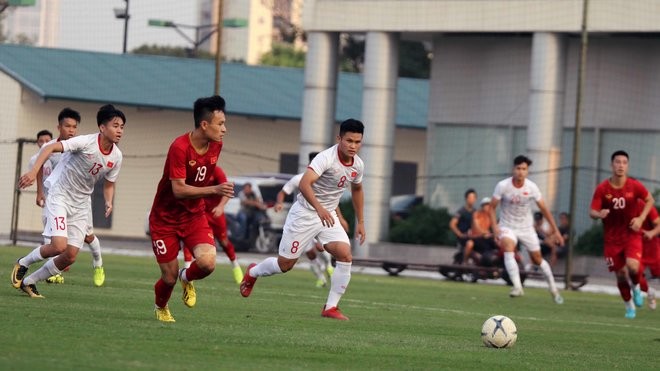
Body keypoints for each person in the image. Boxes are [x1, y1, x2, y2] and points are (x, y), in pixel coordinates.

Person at [240, 118, 366, 321]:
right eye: (349, 140)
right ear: (339, 138)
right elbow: (305, 184)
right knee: (285, 265)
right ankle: (253, 272)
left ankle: (331, 307)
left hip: (328, 215)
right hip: (305, 214)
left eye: (357, 142)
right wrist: (319, 209)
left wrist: (360, 221)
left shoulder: (358, 165)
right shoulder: (325, 158)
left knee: (345, 255)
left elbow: (358, 189)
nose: (353, 146)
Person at [12, 104, 125, 298]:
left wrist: (109, 201)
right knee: (58, 246)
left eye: (122, 127)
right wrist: (32, 172)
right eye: (115, 125)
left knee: (70, 255)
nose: (120, 130)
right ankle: (23, 262)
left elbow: (109, 183)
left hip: (81, 203)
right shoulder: (85, 142)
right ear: (102, 127)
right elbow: (50, 146)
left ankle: (30, 282)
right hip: (60, 195)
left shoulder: (117, 156)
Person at [148, 95, 234, 323]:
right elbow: (178, 190)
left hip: (194, 215)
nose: (224, 129)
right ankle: (161, 307)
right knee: (168, 278)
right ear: (204, 125)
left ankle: (187, 277)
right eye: (220, 124)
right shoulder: (179, 147)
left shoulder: (217, 144)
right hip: (164, 218)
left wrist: (215, 190)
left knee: (207, 264)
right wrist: (215, 190)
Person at [29, 109, 107, 286]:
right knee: (54, 236)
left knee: (88, 237)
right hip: (57, 198)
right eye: (67, 126)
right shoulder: (52, 147)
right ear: (59, 127)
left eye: (74, 127)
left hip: (80, 200)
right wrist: (40, 191)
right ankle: (52, 271)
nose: (71, 130)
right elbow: (40, 166)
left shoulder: (80, 145)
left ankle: (98, 264)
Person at [489, 155, 564, 304]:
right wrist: (495, 228)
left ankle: (553, 289)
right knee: (508, 247)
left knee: (537, 259)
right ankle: (517, 286)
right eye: (518, 168)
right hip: (507, 226)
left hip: (526, 228)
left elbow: (544, 210)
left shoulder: (531, 187)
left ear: (527, 171)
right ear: (513, 169)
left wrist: (556, 231)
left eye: (524, 169)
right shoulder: (502, 185)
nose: (521, 172)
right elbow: (491, 208)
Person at [589, 150, 655, 319]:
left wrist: (640, 218)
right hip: (611, 239)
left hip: (631, 235)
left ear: (628, 165)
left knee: (633, 266)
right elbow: (592, 211)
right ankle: (629, 305)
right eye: (617, 162)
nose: (621, 165)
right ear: (612, 165)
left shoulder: (634, 185)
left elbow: (650, 200)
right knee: (620, 274)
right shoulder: (603, 189)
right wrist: (599, 214)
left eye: (624, 162)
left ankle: (637, 288)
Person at [274, 152, 348, 288]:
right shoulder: (299, 179)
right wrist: (279, 203)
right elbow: (283, 192)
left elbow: (332, 202)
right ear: (311, 164)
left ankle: (328, 267)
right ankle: (321, 278)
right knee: (309, 255)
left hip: (321, 220)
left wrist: (341, 218)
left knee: (322, 249)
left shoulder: (327, 180)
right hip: (302, 220)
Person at [182, 165, 244, 285]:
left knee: (224, 241)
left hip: (216, 213)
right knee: (190, 240)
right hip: (199, 213)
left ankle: (235, 266)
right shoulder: (194, 170)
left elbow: (228, 191)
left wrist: (221, 206)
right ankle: (188, 275)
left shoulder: (217, 171)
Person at [467, 197, 499, 267]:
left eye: (489, 205)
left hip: (485, 238)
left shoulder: (490, 216)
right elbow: (476, 226)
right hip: (476, 238)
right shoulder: (476, 214)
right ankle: (465, 262)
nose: (488, 207)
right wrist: (485, 233)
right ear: (482, 206)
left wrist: (496, 233)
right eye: (486, 205)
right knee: (472, 244)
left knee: (497, 244)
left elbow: (494, 226)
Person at [639, 200, 659, 310]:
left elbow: (658, 224)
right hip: (635, 246)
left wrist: (651, 233)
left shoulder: (647, 207)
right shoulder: (621, 206)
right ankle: (649, 292)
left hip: (652, 246)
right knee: (635, 274)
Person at [449, 189, 477, 264]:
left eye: (474, 198)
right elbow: (452, 224)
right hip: (464, 238)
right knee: (470, 244)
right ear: (466, 199)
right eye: (470, 198)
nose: (472, 200)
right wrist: (460, 234)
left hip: (474, 236)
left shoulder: (475, 212)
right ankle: (465, 262)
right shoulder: (461, 211)